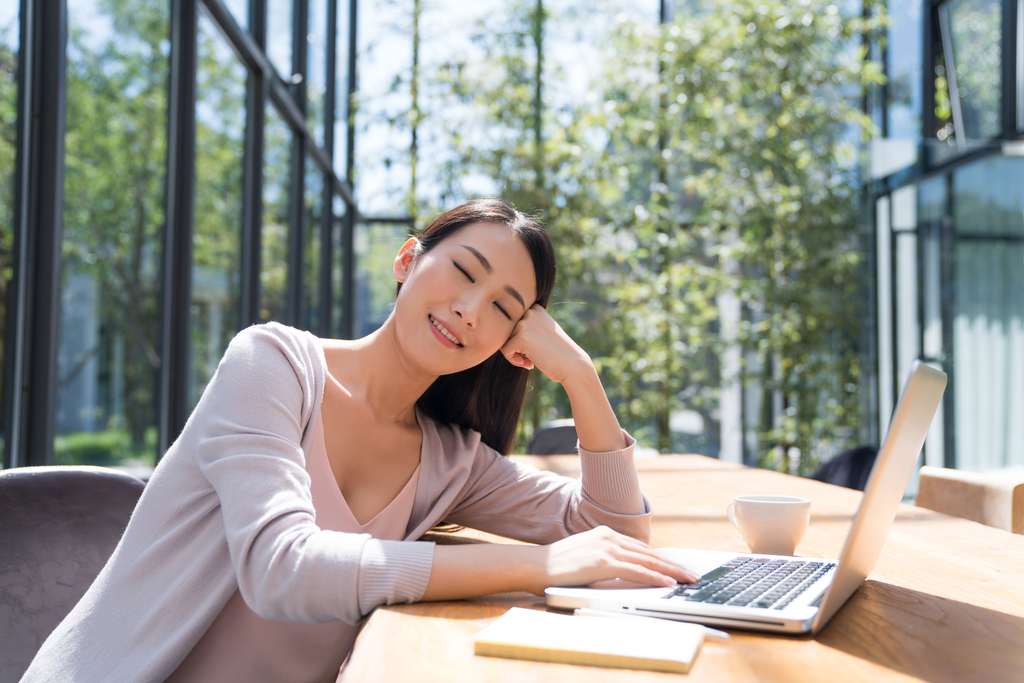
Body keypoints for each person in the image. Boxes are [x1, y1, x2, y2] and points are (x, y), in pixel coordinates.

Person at [21, 198, 695, 683]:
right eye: (464, 271)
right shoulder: (274, 364)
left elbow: (617, 538)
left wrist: (581, 375)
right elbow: (282, 568)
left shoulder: (451, 458)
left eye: (502, 308)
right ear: (408, 259)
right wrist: (538, 565)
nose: (470, 308)